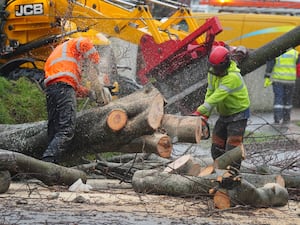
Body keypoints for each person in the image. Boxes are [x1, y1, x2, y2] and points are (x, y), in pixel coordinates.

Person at [42, 37, 111, 163]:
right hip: (63, 88)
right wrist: (95, 63)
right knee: (66, 129)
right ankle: (48, 162)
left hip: (52, 90)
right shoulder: (74, 43)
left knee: (54, 129)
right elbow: (84, 42)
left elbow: (74, 87)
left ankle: (50, 163)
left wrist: (89, 93)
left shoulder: (62, 56)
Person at [192, 45, 250, 169]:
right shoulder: (213, 72)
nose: (215, 70)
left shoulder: (232, 77)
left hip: (238, 113)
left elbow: (217, 96)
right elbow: (210, 92)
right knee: (217, 144)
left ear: (224, 64)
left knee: (233, 146)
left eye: (217, 68)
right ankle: (219, 169)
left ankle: (233, 174)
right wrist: (205, 115)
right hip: (224, 113)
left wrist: (199, 111)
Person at [264, 48, 300, 124]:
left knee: (278, 98)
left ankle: (277, 118)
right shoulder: (295, 53)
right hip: (290, 80)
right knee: (288, 100)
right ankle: (286, 118)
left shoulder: (277, 51)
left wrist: (267, 77)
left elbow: (270, 65)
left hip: (278, 80)